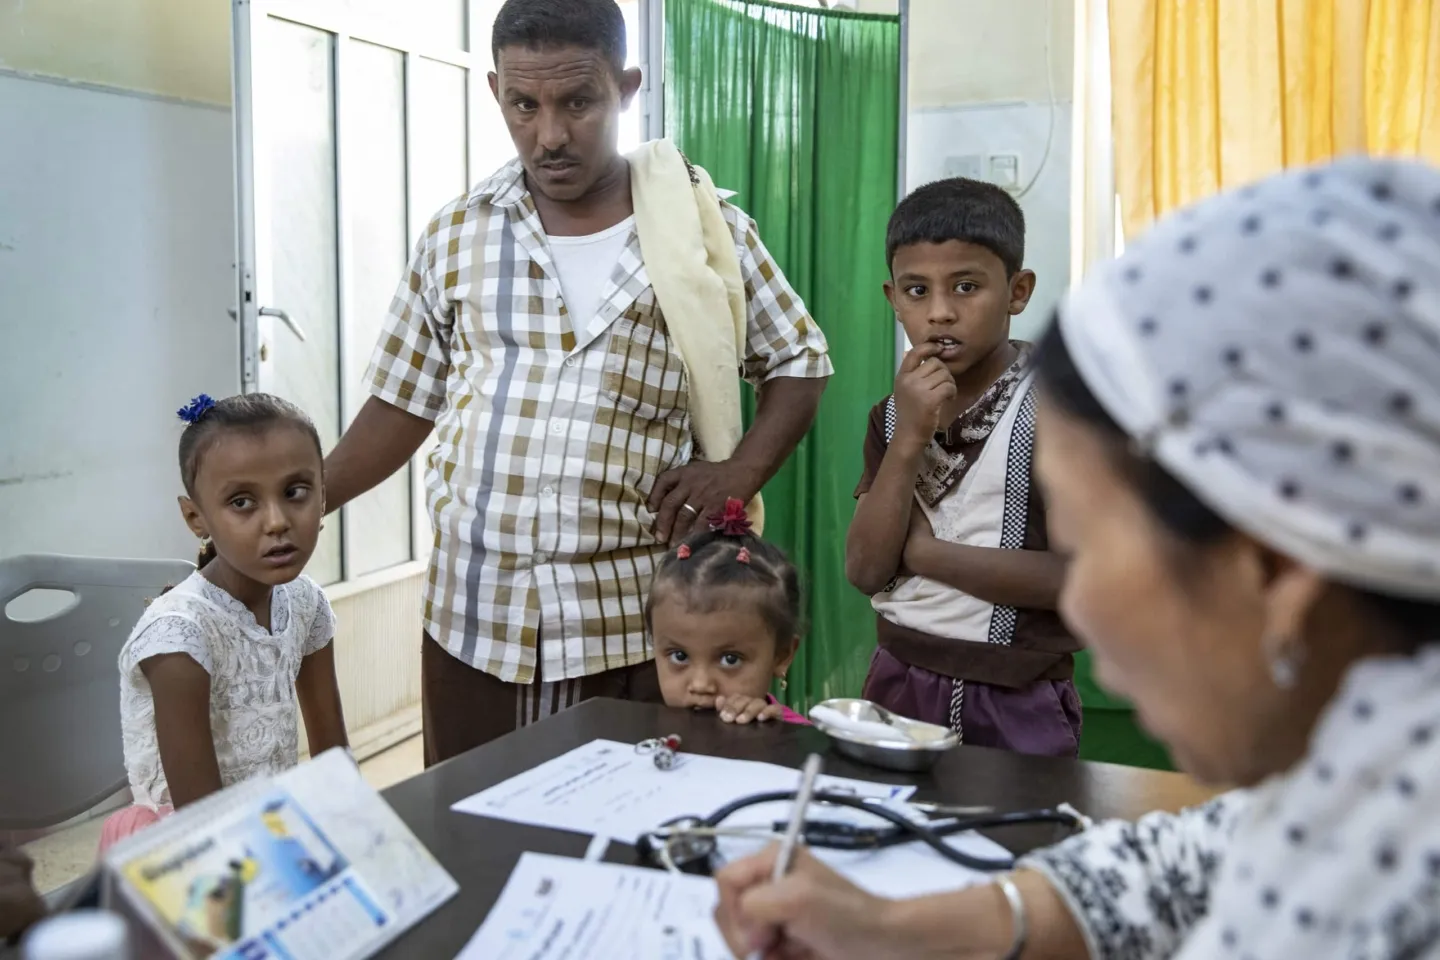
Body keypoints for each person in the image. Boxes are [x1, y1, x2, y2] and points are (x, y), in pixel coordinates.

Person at [713, 157, 1440, 959]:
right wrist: (884, 928)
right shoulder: (1336, 803)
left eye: (1090, 550)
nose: (1078, 610)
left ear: (1273, 571)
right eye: (916, 290)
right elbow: (1165, 871)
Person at [321, 0, 831, 766]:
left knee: (626, 841)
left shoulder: (700, 226)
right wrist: (298, 504)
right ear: (496, 92)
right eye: (524, 105)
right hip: (473, 620)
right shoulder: (459, 234)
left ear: (626, 88)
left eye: (578, 102)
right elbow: (403, 400)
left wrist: (739, 472)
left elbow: (798, 359)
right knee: (473, 837)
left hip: (632, 631)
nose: (549, 134)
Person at [846, 178, 1081, 757]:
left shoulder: (1058, 411)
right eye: (917, 291)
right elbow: (865, 569)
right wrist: (907, 443)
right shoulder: (890, 417)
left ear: (1018, 291)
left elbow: (1081, 580)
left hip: (1017, 695)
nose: (941, 312)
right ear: (892, 298)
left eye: (967, 286)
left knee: (1014, 841)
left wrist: (926, 554)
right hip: (897, 680)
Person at [102, 394, 348, 851]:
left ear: (323, 493)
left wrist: (355, 832)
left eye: (295, 492)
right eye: (242, 502)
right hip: (193, 853)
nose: (276, 522)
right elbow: (204, 822)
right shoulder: (179, 638)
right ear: (196, 518)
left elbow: (334, 758)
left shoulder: (304, 601)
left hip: (269, 828)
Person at [646, 499, 807, 725]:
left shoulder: (794, 739)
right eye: (679, 656)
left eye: (730, 659)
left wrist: (770, 739)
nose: (701, 685)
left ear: (782, 655)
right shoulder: (648, 736)